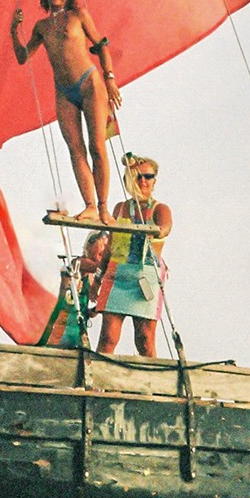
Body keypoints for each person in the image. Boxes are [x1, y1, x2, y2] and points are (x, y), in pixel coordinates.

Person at [10, 0, 121, 222]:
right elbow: (22, 57)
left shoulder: (78, 15)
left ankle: (104, 207)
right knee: (75, 148)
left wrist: (110, 79)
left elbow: (101, 45)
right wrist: (14, 30)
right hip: (64, 91)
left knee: (97, 146)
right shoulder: (41, 26)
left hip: (90, 83)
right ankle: (90, 205)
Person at [96, 153, 171, 358]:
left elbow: (165, 227)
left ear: (154, 180)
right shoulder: (120, 208)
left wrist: (157, 230)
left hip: (144, 276)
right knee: (108, 338)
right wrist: (97, 279)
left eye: (148, 176)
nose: (143, 181)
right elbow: (110, 246)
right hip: (118, 274)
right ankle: (101, 383)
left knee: (144, 340)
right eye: (138, 176)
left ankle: (150, 386)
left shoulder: (159, 208)